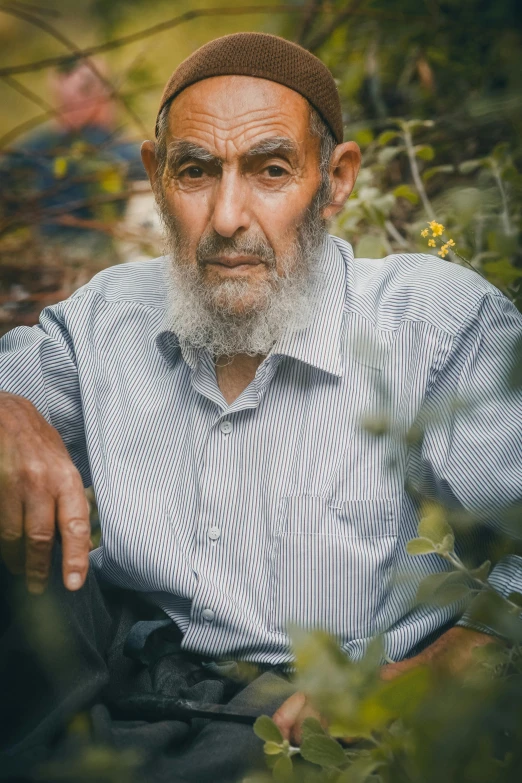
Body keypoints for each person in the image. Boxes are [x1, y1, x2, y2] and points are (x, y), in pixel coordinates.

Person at [0, 32, 521, 782]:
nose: (227, 216)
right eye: (195, 171)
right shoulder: (104, 318)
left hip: (310, 725)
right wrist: (9, 413)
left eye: (271, 169)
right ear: (154, 177)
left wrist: (430, 676)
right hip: (110, 686)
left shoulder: (431, 325)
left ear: (334, 180)